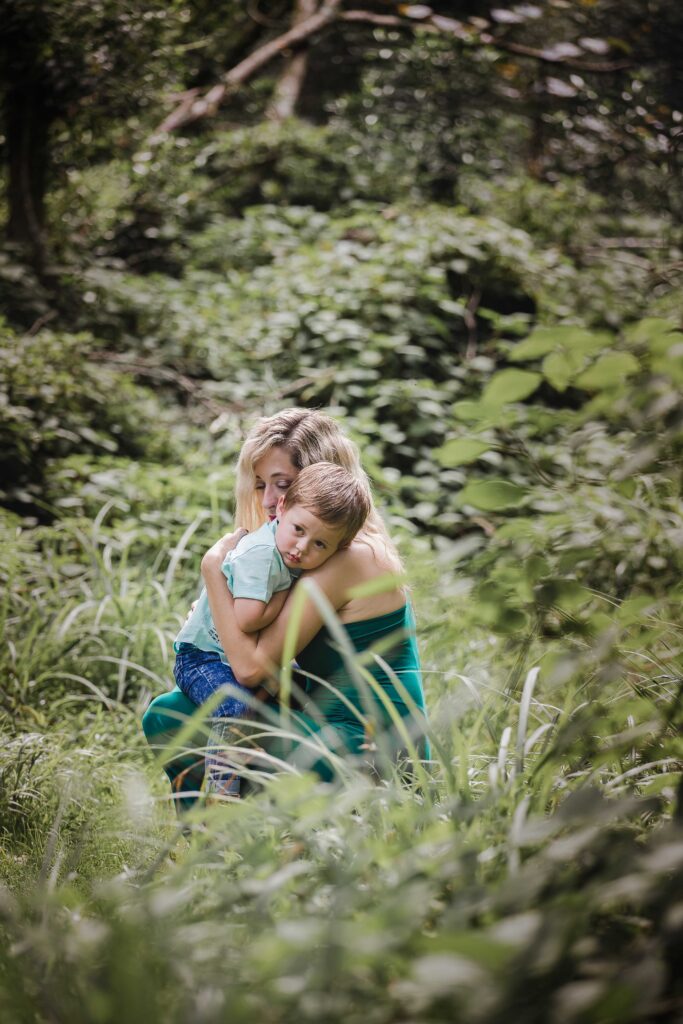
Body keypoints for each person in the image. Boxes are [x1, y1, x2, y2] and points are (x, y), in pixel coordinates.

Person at [141, 408, 429, 809]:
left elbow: (250, 668)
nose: (270, 501)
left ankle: (225, 845)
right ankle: (215, 851)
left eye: (282, 484)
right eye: (261, 485)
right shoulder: (312, 554)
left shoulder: (350, 557)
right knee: (172, 711)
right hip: (324, 719)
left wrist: (213, 572)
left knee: (172, 719)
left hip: (369, 745)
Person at [173, 462, 371, 796]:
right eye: (298, 530)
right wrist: (288, 593)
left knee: (289, 692)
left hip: (228, 657)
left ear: (338, 548)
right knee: (232, 706)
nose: (302, 548)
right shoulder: (264, 554)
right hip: (203, 659)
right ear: (281, 508)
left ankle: (269, 784)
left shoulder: (287, 553)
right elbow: (249, 618)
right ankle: (220, 794)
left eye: (320, 545)